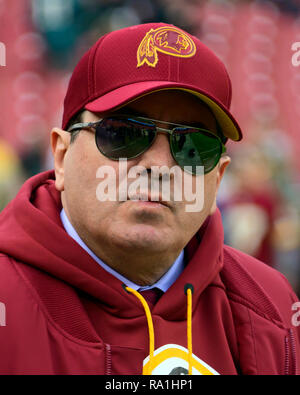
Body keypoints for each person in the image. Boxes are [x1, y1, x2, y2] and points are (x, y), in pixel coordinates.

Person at [0, 23, 299, 375]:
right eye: (123, 133)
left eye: (193, 146)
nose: (159, 166)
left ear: (217, 178)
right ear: (62, 157)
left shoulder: (273, 307)